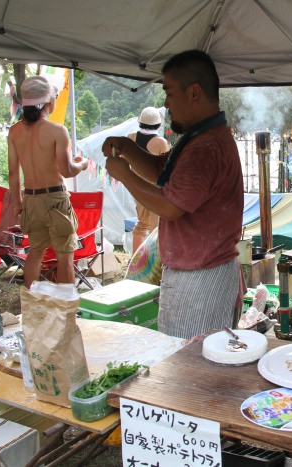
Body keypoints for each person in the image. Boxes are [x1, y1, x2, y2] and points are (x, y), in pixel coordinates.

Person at [102, 50, 245, 339]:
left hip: (201, 278)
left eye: (169, 92)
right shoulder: (199, 138)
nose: (166, 103)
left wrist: (124, 174)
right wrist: (128, 150)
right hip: (198, 272)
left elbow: (169, 206)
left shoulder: (206, 146)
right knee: (188, 360)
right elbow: (162, 173)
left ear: (194, 92)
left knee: (188, 364)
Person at [8, 76, 89, 288]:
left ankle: (32, 304)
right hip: (55, 198)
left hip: (31, 198)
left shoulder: (14, 131)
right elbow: (67, 170)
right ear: (49, 103)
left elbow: (12, 173)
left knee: (35, 253)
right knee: (65, 256)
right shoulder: (57, 130)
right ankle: (66, 309)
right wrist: (82, 164)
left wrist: (18, 203)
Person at [127, 107, 171, 254]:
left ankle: (135, 263)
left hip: (137, 188)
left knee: (141, 225)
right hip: (154, 190)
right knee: (156, 229)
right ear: (158, 124)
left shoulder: (131, 138)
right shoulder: (160, 142)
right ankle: (154, 266)